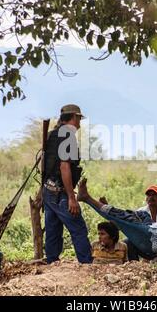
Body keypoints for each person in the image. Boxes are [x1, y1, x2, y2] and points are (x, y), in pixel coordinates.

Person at [42, 104, 92, 264]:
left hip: (48, 190)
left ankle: (52, 262)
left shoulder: (52, 135)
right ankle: (86, 266)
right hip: (60, 192)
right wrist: (71, 197)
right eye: (78, 119)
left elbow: (46, 163)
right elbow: (64, 166)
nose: (79, 123)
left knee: (53, 230)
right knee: (78, 228)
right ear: (73, 118)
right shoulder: (67, 136)